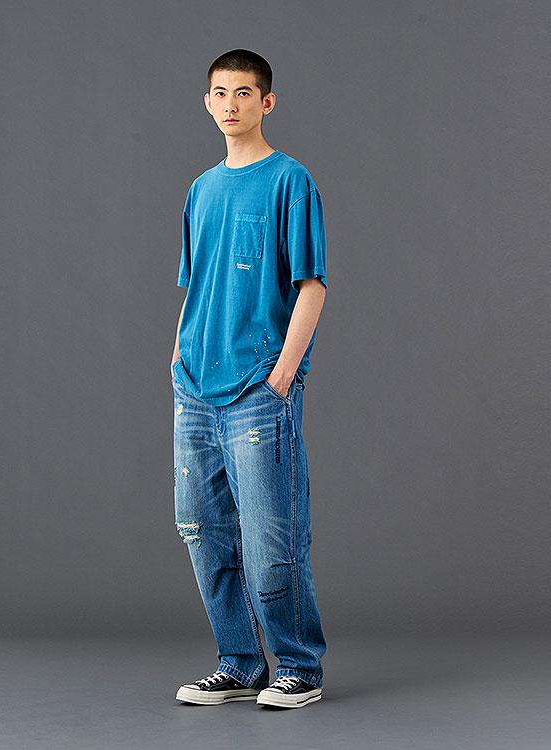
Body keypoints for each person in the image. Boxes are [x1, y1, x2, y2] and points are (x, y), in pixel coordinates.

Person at [171, 49, 328, 709]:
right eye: (220, 92)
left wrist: (282, 376)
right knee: (202, 532)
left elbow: (312, 285)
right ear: (207, 102)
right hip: (194, 388)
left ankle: (299, 667)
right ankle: (238, 663)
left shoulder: (290, 180)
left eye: (243, 92)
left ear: (267, 102)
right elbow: (195, 286)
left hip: (258, 389)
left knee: (271, 538)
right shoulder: (201, 189)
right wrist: (176, 360)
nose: (230, 103)